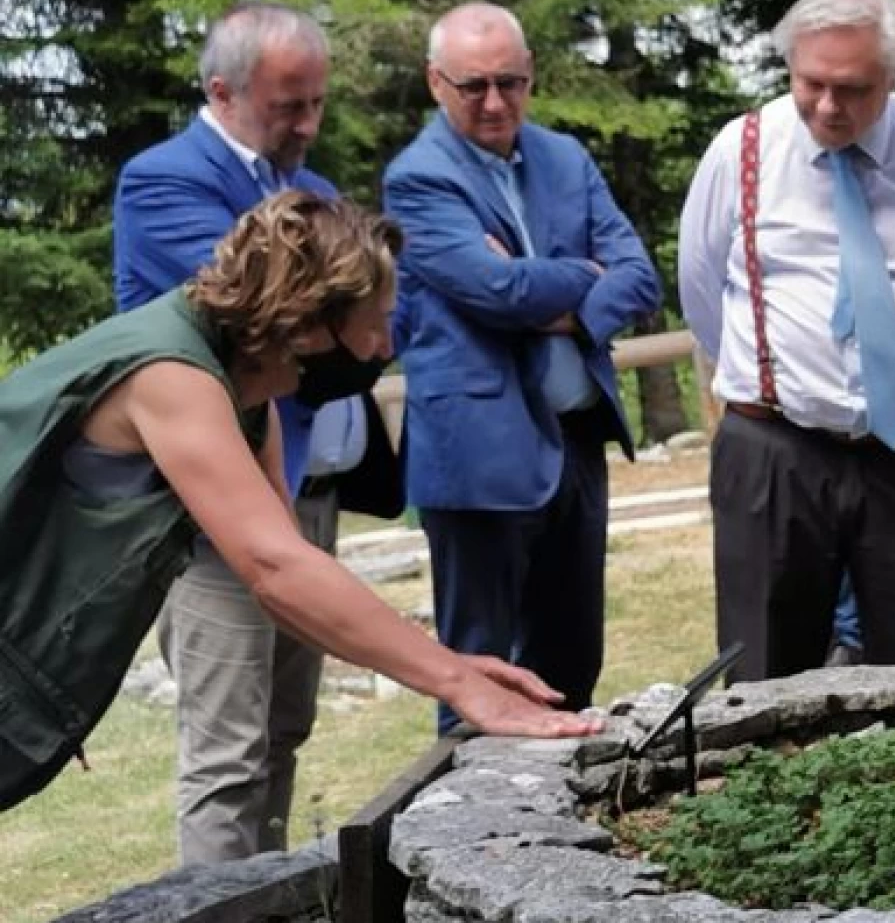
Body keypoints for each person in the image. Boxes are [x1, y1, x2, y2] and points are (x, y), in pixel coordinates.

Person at [0, 192, 600, 813]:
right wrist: (457, 685)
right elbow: (275, 568)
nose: (383, 346)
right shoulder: (171, 376)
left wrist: (452, 665)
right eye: (374, 322)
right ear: (310, 324)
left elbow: (293, 590)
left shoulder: (247, 392)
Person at [111, 1, 402, 864]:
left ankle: (269, 901)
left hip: (311, 495)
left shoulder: (304, 193)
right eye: (289, 108)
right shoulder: (163, 181)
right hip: (219, 518)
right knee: (228, 754)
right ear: (223, 90)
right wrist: (350, 310)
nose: (309, 124)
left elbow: (389, 314)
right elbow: (275, 317)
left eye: (316, 103)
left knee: (284, 728)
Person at [679, 0, 895, 683]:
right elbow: (704, 295)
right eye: (810, 83)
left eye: (853, 89)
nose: (828, 106)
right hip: (772, 453)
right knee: (762, 676)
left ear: (893, 76)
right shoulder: (738, 153)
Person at [384, 3, 662, 735]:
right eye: (474, 86)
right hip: (478, 453)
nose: (496, 102)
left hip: (577, 441)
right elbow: (496, 291)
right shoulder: (416, 179)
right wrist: (582, 275)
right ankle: (467, 834)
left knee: (572, 660)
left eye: (512, 82)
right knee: (479, 675)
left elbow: (638, 276)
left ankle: (560, 831)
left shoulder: (565, 157)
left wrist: (560, 301)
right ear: (435, 83)